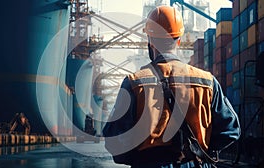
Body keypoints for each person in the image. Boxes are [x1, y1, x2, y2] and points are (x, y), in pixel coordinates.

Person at [102, 5, 241, 168]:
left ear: (150, 41)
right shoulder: (207, 82)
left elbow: (114, 139)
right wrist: (201, 151)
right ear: (179, 40)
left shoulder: (134, 83)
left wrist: (139, 159)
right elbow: (231, 130)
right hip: (196, 163)